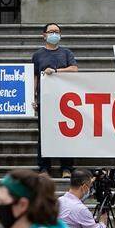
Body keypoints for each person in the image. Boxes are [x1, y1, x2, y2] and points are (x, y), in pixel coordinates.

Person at [31, 23, 77, 177]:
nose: (54, 34)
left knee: (66, 132)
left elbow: (74, 69)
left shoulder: (66, 53)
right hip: (45, 100)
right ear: (44, 35)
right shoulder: (37, 55)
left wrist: (56, 71)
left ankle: (66, 167)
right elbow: (35, 77)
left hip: (64, 100)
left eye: (57, 32)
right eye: (51, 32)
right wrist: (33, 97)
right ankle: (44, 167)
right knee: (44, 133)